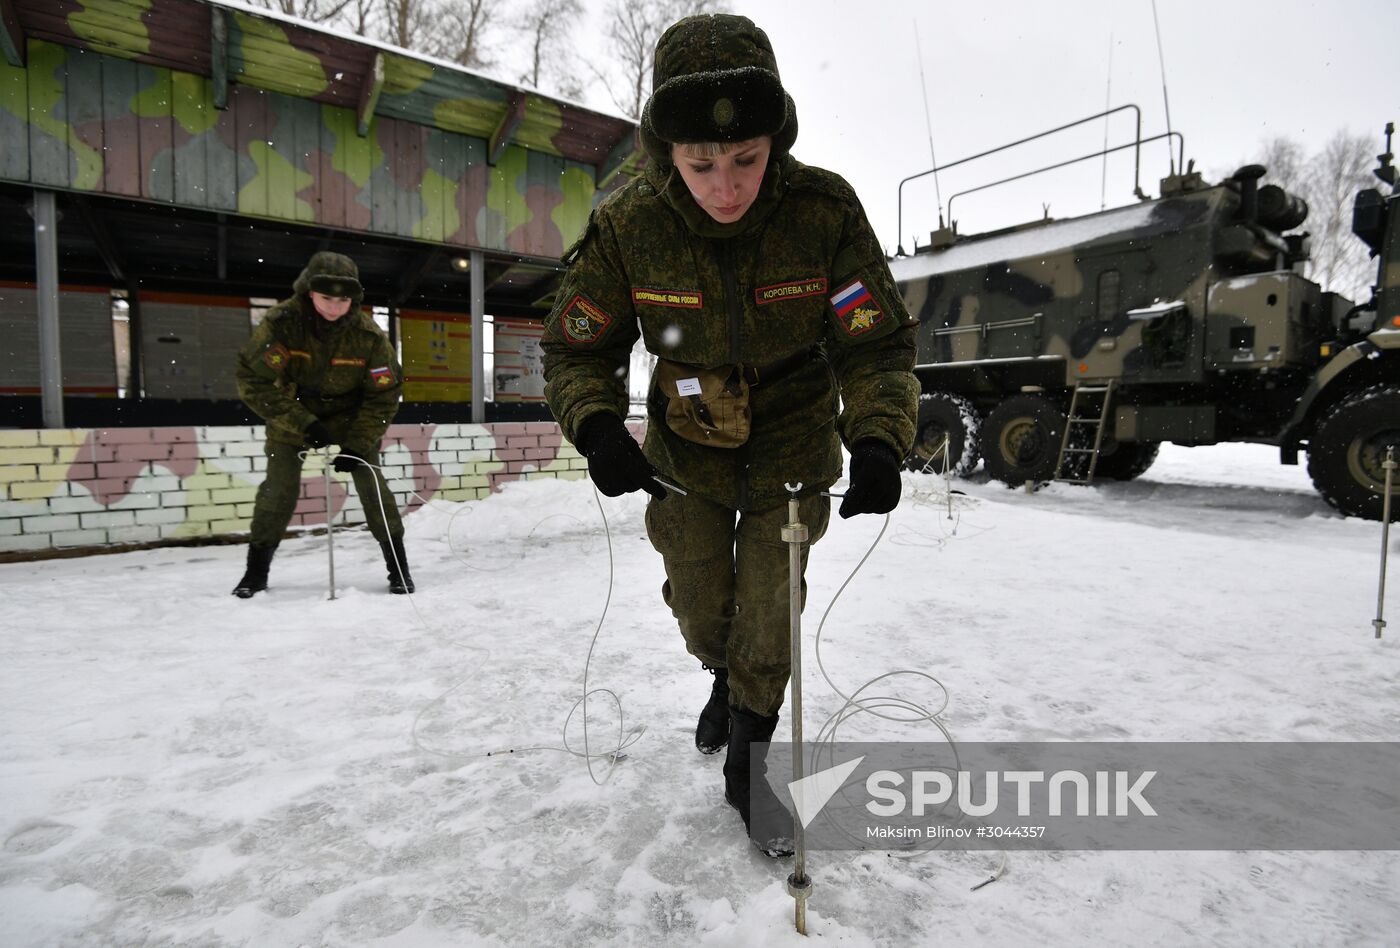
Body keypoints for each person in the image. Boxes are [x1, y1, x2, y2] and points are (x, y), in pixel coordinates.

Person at [541, 14, 919, 857]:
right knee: (707, 605)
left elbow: (878, 342)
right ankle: (721, 675)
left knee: (771, 604)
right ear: (665, 152)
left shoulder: (823, 212)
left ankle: (752, 750)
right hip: (685, 443)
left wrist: (882, 438)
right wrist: (598, 426)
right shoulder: (630, 222)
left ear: (775, 140)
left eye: (746, 159)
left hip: (793, 433)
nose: (725, 184)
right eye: (701, 163)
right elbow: (577, 345)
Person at [232, 251, 414, 598]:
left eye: (343, 300)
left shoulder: (369, 337)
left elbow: (385, 394)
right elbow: (252, 380)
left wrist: (359, 444)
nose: (334, 307)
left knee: (373, 488)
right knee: (278, 491)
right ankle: (255, 572)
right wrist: (303, 422)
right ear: (308, 292)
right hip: (293, 414)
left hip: (351, 418)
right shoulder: (282, 323)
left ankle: (398, 568)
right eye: (326, 298)